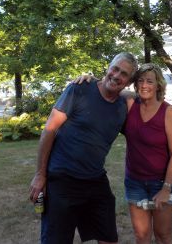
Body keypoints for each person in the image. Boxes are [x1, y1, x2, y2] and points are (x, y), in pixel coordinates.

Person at [29, 52, 138, 244]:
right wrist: (40, 174)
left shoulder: (123, 105)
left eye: (124, 74)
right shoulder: (78, 89)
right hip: (62, 179)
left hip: (94, 179)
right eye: (115, 68)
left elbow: (144, 99)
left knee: (109, 238)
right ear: (108, 67)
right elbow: (49, 130)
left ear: (128, 82)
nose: (117, 75)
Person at [123, 63, 172, 244]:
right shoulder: (131, 103)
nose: (144, 85)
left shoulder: (168, 112)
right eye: (140, 80)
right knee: (141, 236)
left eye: (149, 81)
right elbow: (110, 85)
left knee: (163, 235)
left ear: (158, 85)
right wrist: (89, 79)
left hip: (161, 182)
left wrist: (166, 188)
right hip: (134, 182)